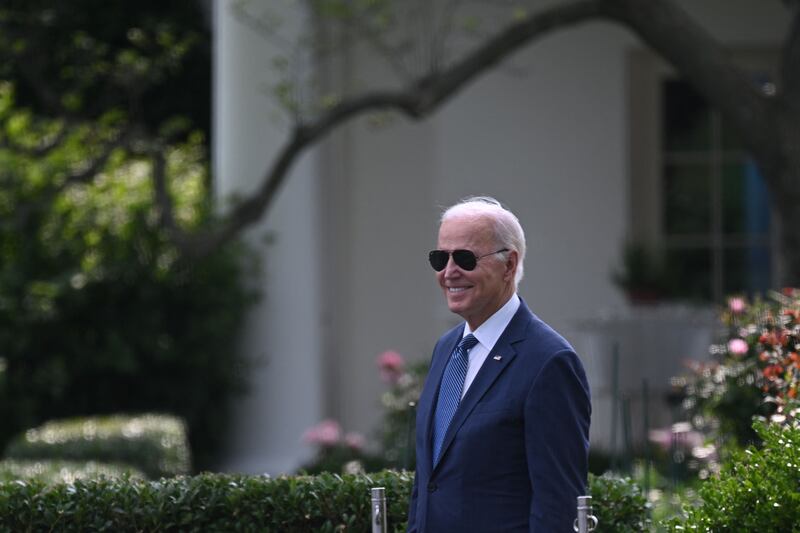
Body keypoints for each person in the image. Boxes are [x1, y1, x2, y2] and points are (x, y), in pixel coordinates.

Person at [407, 196, 591, 532]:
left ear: (509, 265)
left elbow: (558, 504)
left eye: (464, 258)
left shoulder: (549, 361)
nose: (449, 272)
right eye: (440, 258)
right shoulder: (447, 348)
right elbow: (428, 485)